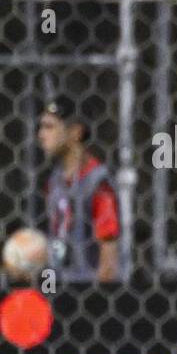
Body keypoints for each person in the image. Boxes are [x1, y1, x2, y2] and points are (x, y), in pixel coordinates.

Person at [38, 96, 120, 283]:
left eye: (49, 127)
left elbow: (109, 258)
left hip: (87, 293)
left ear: (75, 132)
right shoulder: (54, 180)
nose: (41, 135)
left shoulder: (98, 184)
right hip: (57, 288)